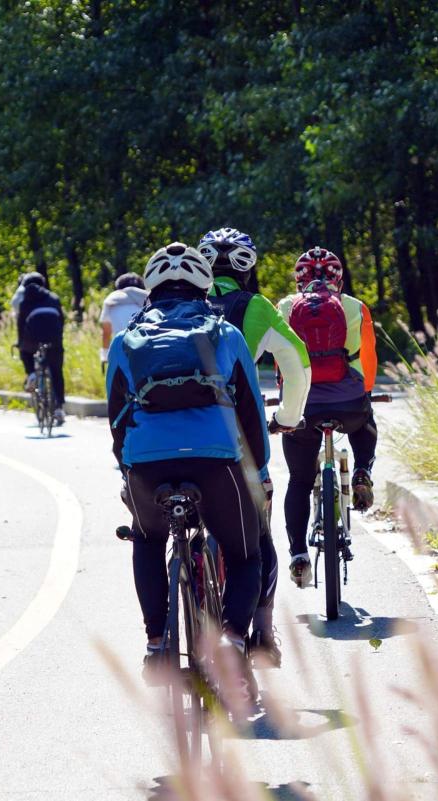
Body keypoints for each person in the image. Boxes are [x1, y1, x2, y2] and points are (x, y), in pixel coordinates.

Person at [106, 242, 267, 675]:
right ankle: (233, 639)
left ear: (151, 290)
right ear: (205, 287)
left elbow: (116, 417)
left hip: (147, 464)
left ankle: (156, 643)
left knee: (147, 539)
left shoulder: (125, 341)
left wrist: (128, 470)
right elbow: (251, 413)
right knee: (245, 554)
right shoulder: (226, 334)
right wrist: (259, 472)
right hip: (217, 463)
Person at [198, 226, 311, 665]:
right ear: (247, 269)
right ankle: (261, 632)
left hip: (170, 442)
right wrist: (288, 418)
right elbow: (297, 365)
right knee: (258, 535)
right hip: (238, 441)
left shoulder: (173, 305)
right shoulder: (256, 307)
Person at [277, 247, 379, 588]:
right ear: (339, 279)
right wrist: (363, 393)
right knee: (364, 417)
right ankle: (362, 471)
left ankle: (298, 555)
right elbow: (368, 362)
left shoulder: (285, 307)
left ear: (298, 280)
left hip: (302, 409)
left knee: (299, 481)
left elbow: (280, 364)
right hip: (348, 405)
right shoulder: (356, 307)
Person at [15, 272, 66, 425]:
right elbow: (61, 320)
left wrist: (20, 342)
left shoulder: (25, 300)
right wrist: (58, 339)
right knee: (56, 371)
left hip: (33, 334)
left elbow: (21, 324)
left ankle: (31, 374)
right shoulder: (53, 298)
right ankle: (59, 408)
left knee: (25, 350)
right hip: (53, 334)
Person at [99, 273, 148, 366]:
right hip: (145, 350)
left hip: (121, 351)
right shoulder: (148, 300)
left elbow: (106, 332)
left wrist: (104, 356)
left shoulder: (111, 301)